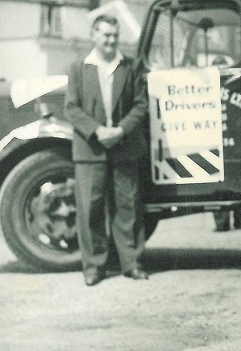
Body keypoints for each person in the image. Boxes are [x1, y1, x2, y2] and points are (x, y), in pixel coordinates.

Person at [64, 15, 149, 286]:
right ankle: (94, 267)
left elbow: (141, 105)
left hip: (124, 146)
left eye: (115, 35)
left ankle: (132, 263)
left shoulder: (131, 66)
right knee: (90, 209)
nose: (111, 41)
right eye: (106, 35)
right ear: (94, 36)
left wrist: (120, 130)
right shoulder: (79, 68)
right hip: (90, 149)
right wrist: (97, 130)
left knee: (128, 207)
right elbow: (71, 107)